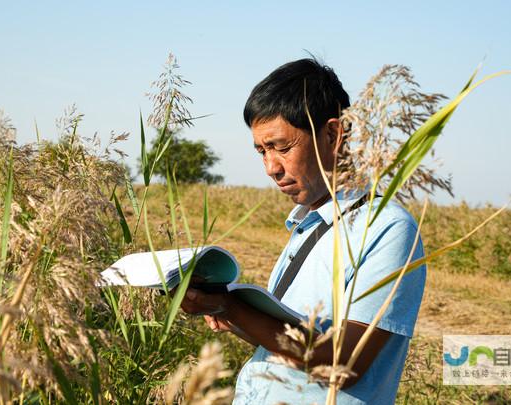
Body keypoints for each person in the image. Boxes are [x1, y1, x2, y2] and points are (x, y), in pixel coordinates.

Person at [180, 58, 426, 404]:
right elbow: (294, 347)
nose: (270, 167)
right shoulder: (306, 226)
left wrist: (233, 308)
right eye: (261, 151)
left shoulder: (387, 229)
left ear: (333, 134)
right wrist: (226, 312)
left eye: (282, 147)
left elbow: (345, 363)